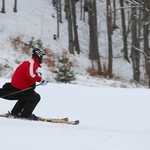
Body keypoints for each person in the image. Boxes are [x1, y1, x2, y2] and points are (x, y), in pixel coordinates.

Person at [0, 48, 48, 119]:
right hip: (19, 88)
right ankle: (25, 116)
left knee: (28, 94)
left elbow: (29, 74)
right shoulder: (33, 63)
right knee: (35, 97)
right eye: (43, 57)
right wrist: (40, 79)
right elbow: (30, 75)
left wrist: (37, 75)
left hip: (20, 87)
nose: (43, 59)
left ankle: (15, 112)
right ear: (38, 56)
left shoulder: (30, 62)